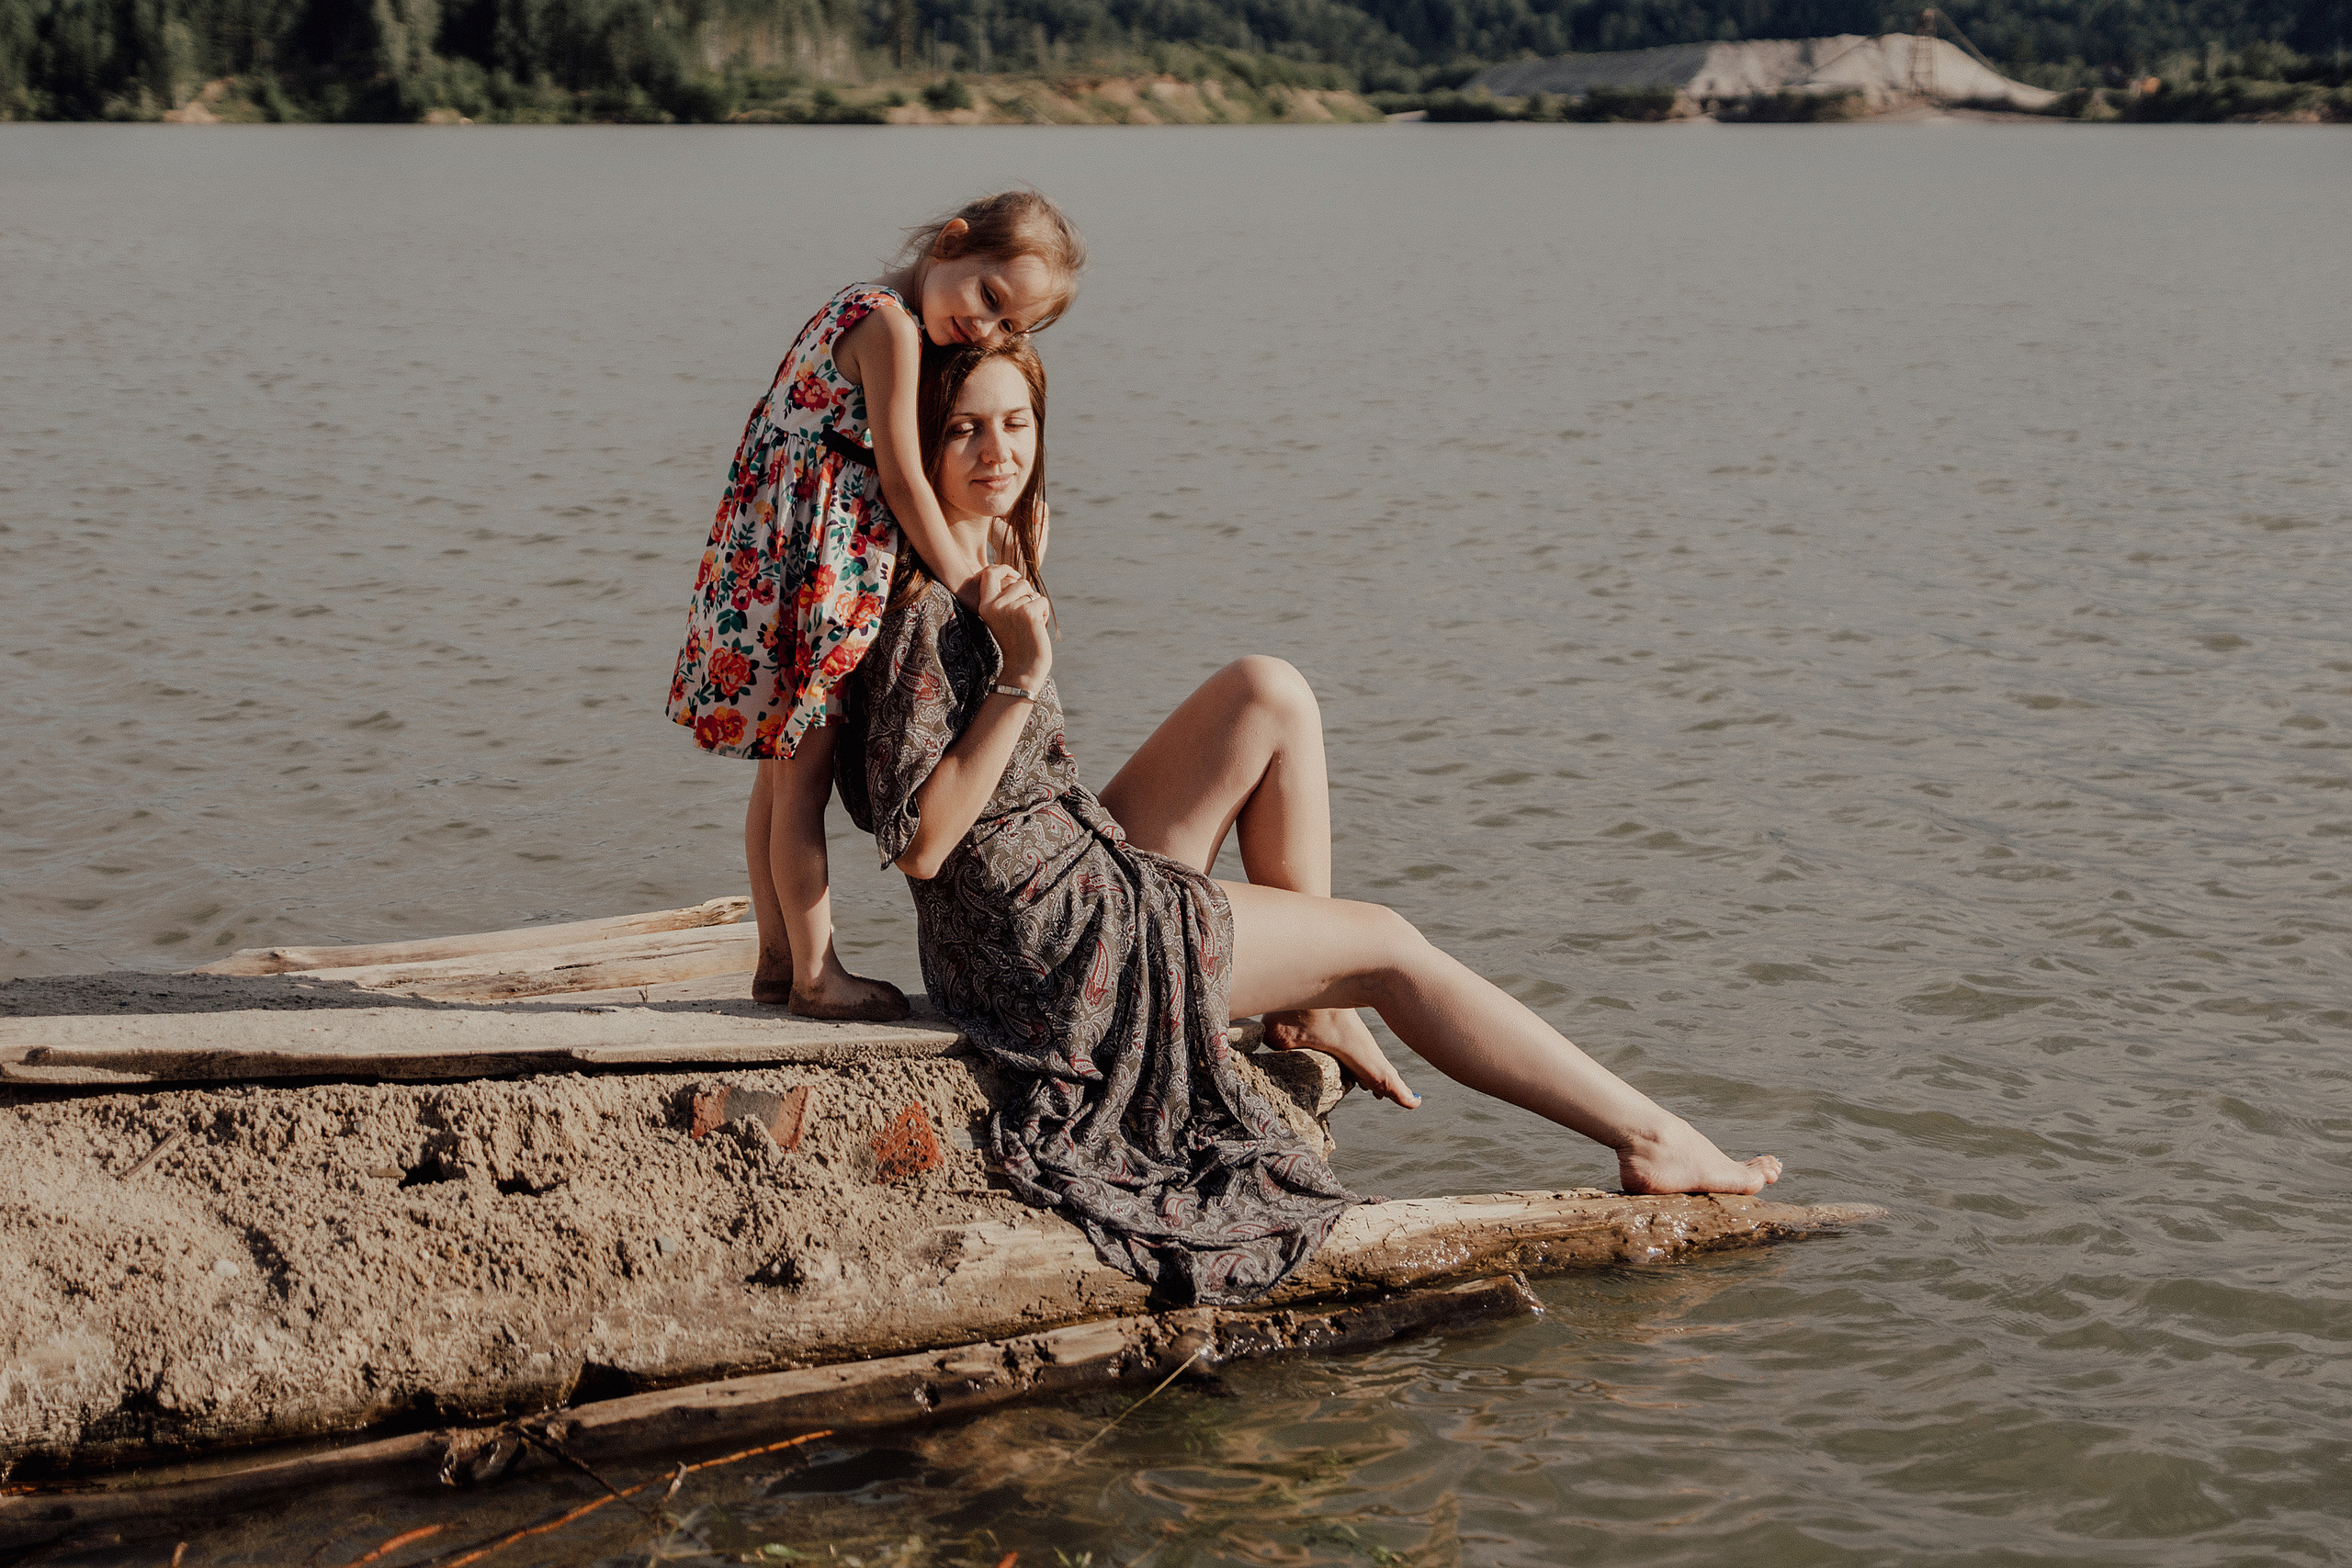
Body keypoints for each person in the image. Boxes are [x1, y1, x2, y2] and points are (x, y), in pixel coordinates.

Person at [836, 338, 1782, 1305]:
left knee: (1266, 693)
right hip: (1043, 944)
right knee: (1389, 944)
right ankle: (1650, 1138)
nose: (997, 452)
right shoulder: (925, 606)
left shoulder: (987, 547)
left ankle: (1311, 1001)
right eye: (962, 430)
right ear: (919, 445)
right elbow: (919, 843)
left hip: (1056, 872)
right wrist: (1021, 673)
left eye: (1016, 423)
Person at [665, 191, 1087, 1021]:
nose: (987, 330)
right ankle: (818, 976)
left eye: (1012, 330)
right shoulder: (891, 327)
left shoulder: (858, 301)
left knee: (780, 780)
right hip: (816, 571)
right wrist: (969, 582)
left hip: (772, 562)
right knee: (802, 787)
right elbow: (899, 476)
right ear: (953, 243)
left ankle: (776, 959)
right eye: (989, 300)